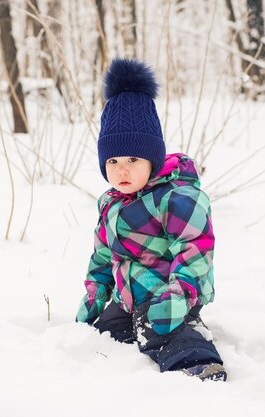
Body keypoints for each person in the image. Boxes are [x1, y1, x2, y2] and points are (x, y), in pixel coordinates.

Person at [75, 58, 226, 382]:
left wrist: (179, 293)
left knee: (164, 331)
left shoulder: (178, 197)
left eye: (133, 159)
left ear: (153, 160)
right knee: (106, 334)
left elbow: (195, 251)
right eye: (113, 161)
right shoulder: (109, 203)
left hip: (171, 296)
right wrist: (96, 292)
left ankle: (197, 363)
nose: (122, 170)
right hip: (129, 297)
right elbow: (103, 255)